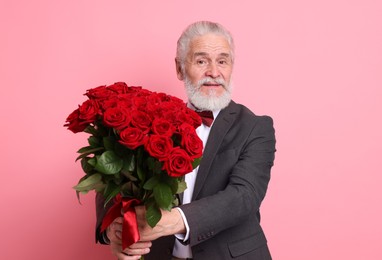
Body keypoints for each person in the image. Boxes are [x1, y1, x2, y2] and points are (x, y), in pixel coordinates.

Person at [95, 21, 276, 260]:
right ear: (180, 69)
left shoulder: (256, 126)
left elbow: (244, 196)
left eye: (222, 61)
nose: (214, 71)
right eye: (201, 61)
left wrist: (176, 220)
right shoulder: (154, 122)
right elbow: (116, 176)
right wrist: (114, 229)